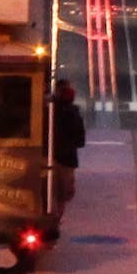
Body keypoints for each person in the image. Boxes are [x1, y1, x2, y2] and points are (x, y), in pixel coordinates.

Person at [50, 78, 87, 223]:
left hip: (48, 156)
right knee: (62, 195)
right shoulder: (73, 114)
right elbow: (80, 141)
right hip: (67, 160)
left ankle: (50, 217)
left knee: (48, 191)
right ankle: (56, 219)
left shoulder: (48, 110)